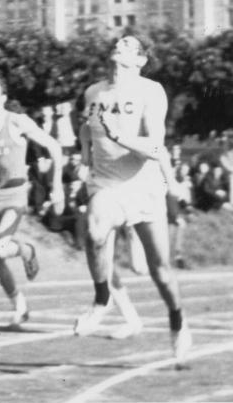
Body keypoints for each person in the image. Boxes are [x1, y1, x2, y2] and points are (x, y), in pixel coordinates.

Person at [74, 35, 192, 362]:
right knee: (95, 230)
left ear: (140, 60)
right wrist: (84, 160)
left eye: (129, 45)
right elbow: (87, 131)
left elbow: (155, 147)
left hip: (143, 186)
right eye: (118, 42)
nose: (119, 45)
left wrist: (119, 136)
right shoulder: (93, 92)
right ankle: (101, 300)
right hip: (106, 184)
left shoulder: (150, 91)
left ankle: (178, 321)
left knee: (161, 272)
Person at [0, 77, 64, 326]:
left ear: (2, 98)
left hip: (14, 196)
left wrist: (56, 185)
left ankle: (26, 250)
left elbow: (54, 147)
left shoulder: (17, 122)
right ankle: (19, 306)